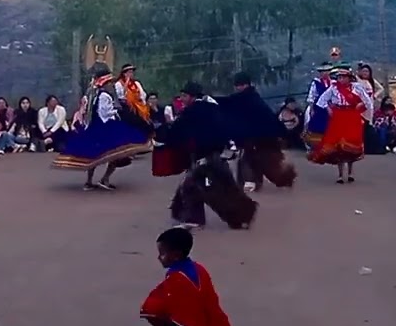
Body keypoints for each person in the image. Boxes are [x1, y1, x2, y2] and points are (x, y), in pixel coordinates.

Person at [156, 82, 257, 230]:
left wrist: (163, 140)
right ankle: (243, 213)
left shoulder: (193, 112)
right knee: (224, 186)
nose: (182, 99)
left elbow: (177, 132)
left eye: (184, 96)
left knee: (195, 187)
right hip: (215, 155)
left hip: (205, 157)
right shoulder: (212, 108)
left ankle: (196, 219)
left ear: (192, 96)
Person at [53, 66, 153, 189]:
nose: (111, 84)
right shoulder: (104, 95)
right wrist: (115, 111)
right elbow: (104, 114)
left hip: (95, 127)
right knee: (114, 153)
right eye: (109, 82)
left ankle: (92, 181)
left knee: (96, 155)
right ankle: (103, 179)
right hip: (104, 127)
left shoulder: (92, 94)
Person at [218, 71, 295, 192]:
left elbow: (227, 102)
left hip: (262, 137)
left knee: (263, 163)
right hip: (256, 137)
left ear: (246, 85)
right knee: (251, 158)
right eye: (237, 85)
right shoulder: (248, 98)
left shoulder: (248, 98)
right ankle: (250, 182)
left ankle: (280, 178)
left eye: (240, 85)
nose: (238, 88)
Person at [309, 65, 374, 183]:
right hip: (338, 117)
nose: (340, 79)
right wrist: (328, 108)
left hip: (352, 117)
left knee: (351, 144)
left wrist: (361, 110)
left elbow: (368, 102)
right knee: (338, 146)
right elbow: (321, 101)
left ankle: (350, 172)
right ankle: (340, 175)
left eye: (343, 77)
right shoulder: (333, 88)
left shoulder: (357, 88)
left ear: (349, 78)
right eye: (339, 77)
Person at [302, 62, 334, 151]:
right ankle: (316, 146)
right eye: (323, 71)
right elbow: (312, 96)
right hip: (319, 108)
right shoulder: (316, 82)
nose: (325, 73)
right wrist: (311, 109)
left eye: (327, 71)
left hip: (331, 107)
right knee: (317, 126)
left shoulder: (333, 83)